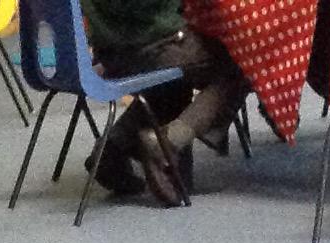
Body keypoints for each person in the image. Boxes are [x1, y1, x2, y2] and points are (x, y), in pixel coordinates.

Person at [76, 0, 249, 202]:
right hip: (153, 45)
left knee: (174, 82)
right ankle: (168, 143)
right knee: (248, 55)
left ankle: (113, 148)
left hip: (110, 51)